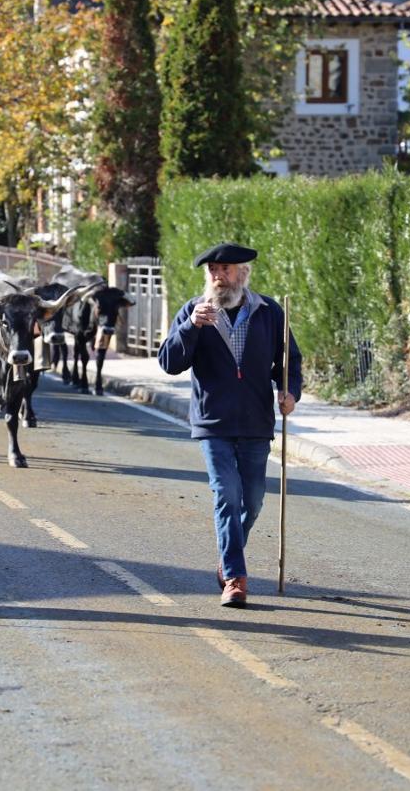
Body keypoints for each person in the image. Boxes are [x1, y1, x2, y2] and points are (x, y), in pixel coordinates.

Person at [158, 242, 301, 608]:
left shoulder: (269, 312)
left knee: (251, 502)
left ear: (243, 273)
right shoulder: (194, 312)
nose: (218, 276)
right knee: (226, 496)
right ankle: (236, 578)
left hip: (256, 422)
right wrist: (190, 328)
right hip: (213, 423)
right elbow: (169, 362)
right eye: (212, 270)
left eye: (226, 269)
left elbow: (289, 361)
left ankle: (226, 559)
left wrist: (289, 392)